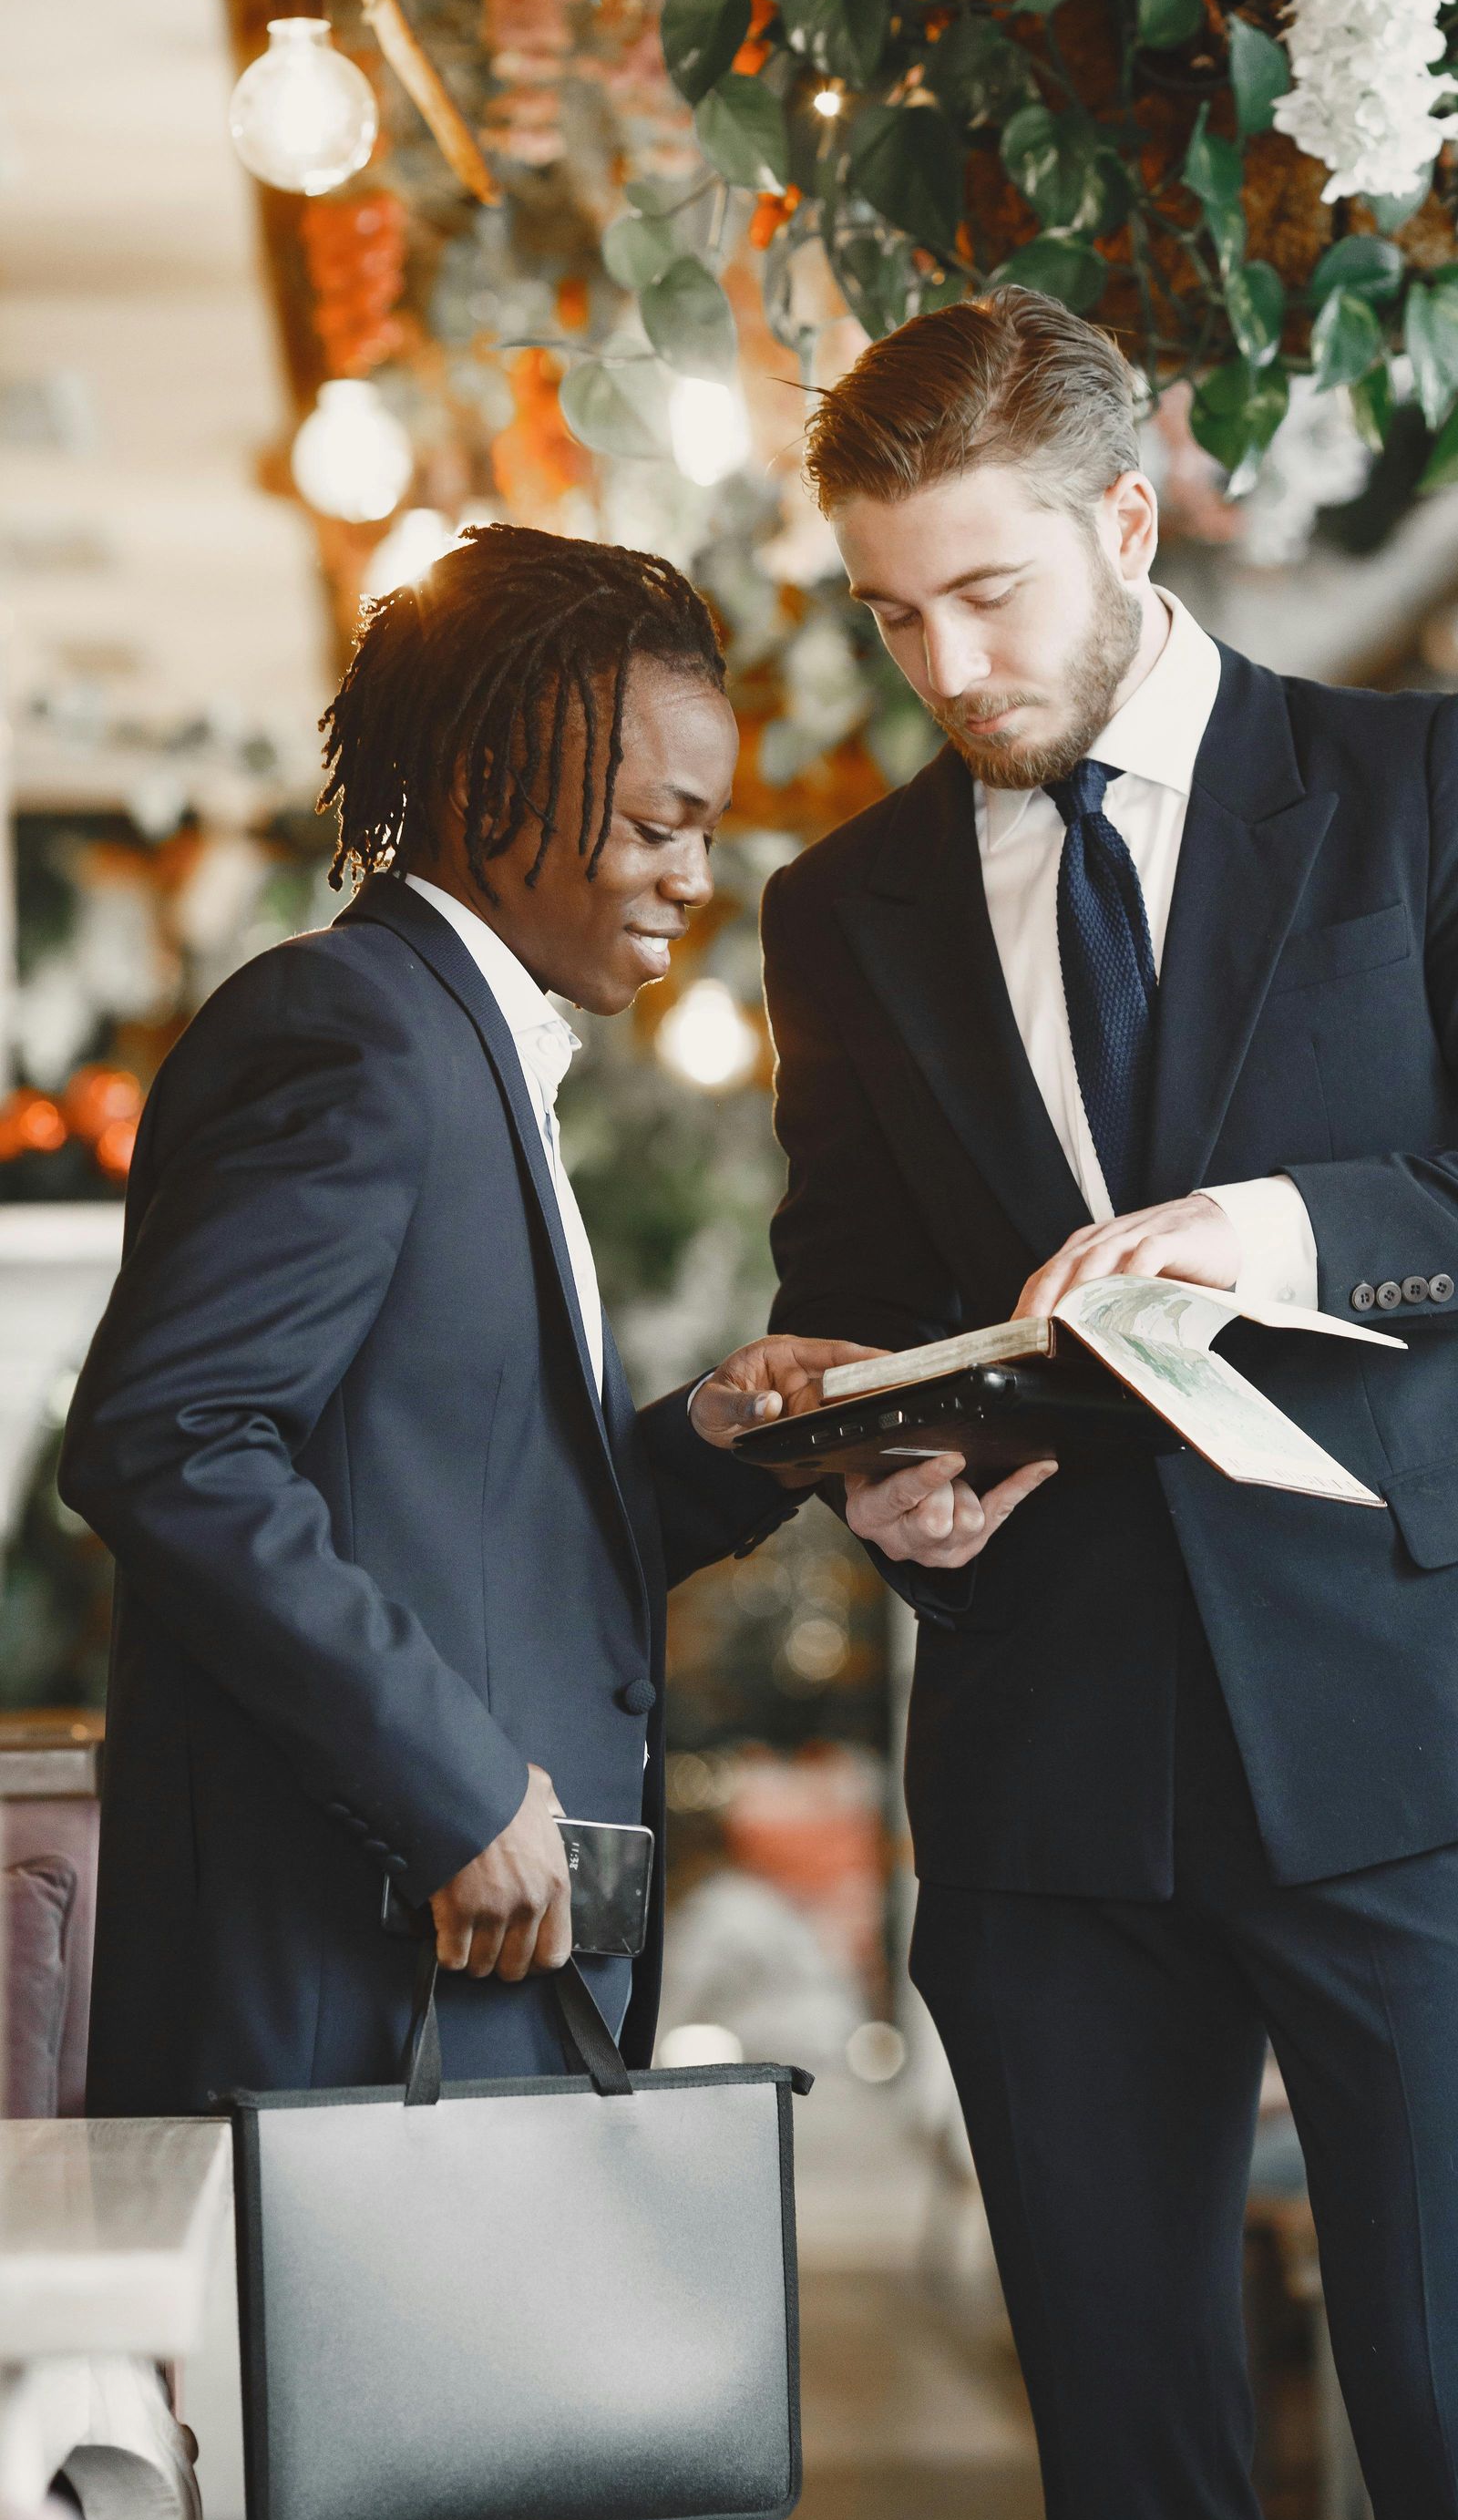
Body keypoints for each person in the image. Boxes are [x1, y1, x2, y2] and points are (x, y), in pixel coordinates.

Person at [760, 287, 1458, 2520]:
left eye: (989, 592)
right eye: (896, 617)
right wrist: (883, 1473)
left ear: (1126, 514)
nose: (951, 667)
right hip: (1049, 1771)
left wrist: (1293, 1234)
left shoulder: (1418, 785)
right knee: (1129, 2473)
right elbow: (857, 1293)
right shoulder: (842, 907)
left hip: (1405, 1731)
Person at [61, 525, 869, 2114]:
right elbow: (171, 1445)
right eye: (658, 825)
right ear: (502, 794)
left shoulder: (457, 1051)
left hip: (450, 1973)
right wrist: (451, 1785)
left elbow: (454, 1504)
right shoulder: (353, 1030)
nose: (694, 881)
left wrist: (709, 1447)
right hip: (348, 1983)